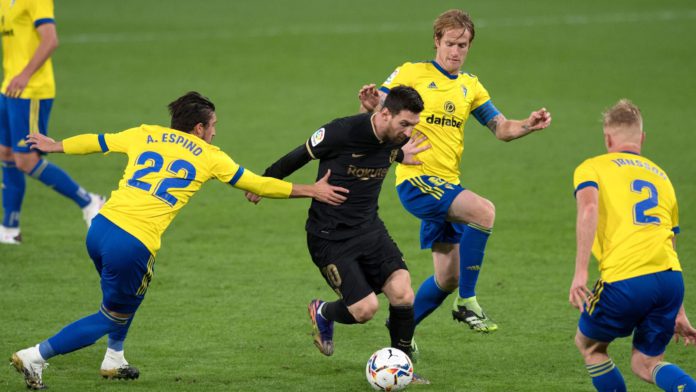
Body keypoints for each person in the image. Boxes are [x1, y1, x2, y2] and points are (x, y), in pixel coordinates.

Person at [10, 91, 349, 390]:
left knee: (126, 296)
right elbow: (258, 185)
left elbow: (99, 141)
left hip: (100, 228)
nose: (216, 131)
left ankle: (114, 358)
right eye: (213, 124)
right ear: (199, 128)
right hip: (132, 243)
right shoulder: (209, 155)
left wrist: (56, 145)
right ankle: (36, 355)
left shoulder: (146, 134)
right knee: (110, 315)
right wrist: (312, 190)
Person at [358, 9, 552, 335]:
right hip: (417, 181)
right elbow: (382, 103)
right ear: (437, 41)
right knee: (483, 212)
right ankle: (467, 302)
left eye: (463, 45)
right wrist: (371, 102)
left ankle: (400, 328)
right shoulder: (412, 72)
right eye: (450, 43)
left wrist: (527, 125)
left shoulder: (470, 86)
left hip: (447, 184)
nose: (456, 52)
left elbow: (501, 127)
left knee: (448, 277)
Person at [246, 86, 430, 381]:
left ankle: (404, 367)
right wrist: (264, 182)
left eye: (413, 126)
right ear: (384, 114)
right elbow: (298, 155)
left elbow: (386, 149)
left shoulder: (394, 139)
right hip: (330, 237)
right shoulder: (340, 132)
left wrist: (400, 155)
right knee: (365, 309)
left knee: (403, 291)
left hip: (370, 229)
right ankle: (324, 312)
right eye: (404, 124)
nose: (408, 132)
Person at [570, 99, 696, 392]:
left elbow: (589, 210)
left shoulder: (592, 167)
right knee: (646, 363)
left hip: (626, 278)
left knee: (590, 346)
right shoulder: (661, 176)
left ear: (607, 138)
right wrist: (679, 310)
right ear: (642, 138)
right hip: (670, 281)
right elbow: (670, 239)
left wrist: (580, 273)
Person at [0, 0, 103, 245]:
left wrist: (25, 75)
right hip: (9, 88)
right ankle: (9, 227)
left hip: (31, 91)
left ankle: (89, 201)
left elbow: (50, 40)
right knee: (5, 153)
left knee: (26, 160)